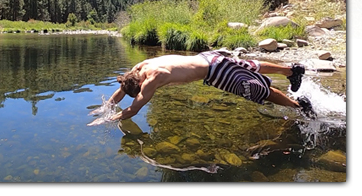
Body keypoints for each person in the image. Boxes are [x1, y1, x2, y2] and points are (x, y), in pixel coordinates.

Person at [107, 51, 313, 121]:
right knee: (251, 65)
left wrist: (107, 120)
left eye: (141, 90)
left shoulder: (153, 78)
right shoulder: (139, 67)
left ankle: (299, 106)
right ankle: (291, 70)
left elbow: (133, 109)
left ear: (141, 84)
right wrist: (107, 105)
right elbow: (124, 88)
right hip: (208, 57)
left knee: (260, 91)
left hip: (216, 73)